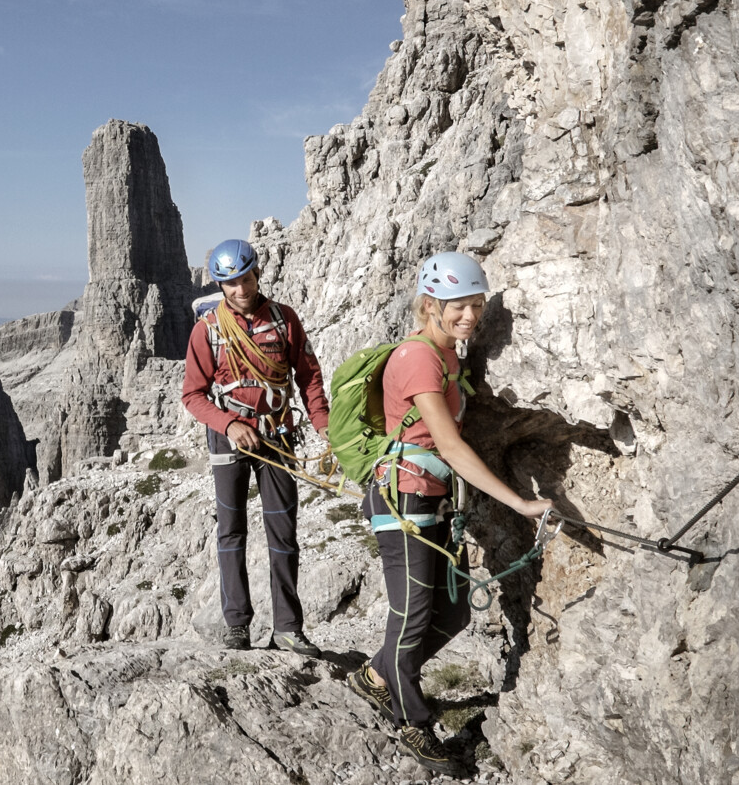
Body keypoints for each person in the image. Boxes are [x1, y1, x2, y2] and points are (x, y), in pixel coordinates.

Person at [343, 251, 554, 776]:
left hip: (431, 498)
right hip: (403, 498)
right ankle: (414, 724)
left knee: (454, 613)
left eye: (477, 306)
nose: (471, 317)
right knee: (412, 615)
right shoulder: (418, 358)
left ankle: (377, 674)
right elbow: (451, 446)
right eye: (460, 306)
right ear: (431, 304)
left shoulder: (449, 359)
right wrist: (519, 503)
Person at [181, 239, 331, 655]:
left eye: (245, 279)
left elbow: (309, 376)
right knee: (232, 531)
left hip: (278, 433)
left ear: (257, 274)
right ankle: (237, 626)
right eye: (230, 283)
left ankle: (287, 627)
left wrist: (322, 423)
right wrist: (229, 424)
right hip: (229, 438)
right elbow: (193, 394)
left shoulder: (284, 321)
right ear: (220, 284)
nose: (240, 290)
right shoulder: (207, 330)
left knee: (283, 531)